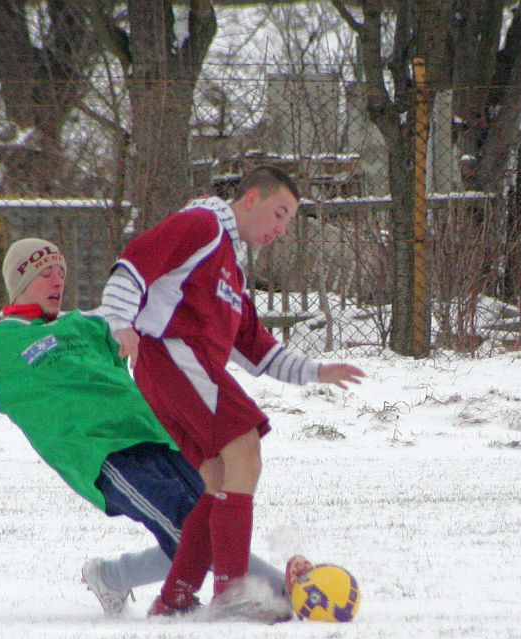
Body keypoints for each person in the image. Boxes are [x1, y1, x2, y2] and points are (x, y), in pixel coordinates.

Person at [0, 238, 291, 618]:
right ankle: (273, 592)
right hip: (104, 457)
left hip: (161, 437)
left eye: (62, 273)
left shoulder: (90, 324)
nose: (57, 281)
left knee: (202, 521)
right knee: (185, 524)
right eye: (45, 273)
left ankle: (112, 577)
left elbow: (154, 324)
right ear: (20, 282)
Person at [99, 165, 366, 615]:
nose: (280, 229)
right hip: (173, 358)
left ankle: (174, 600)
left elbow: (255, 349)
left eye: (288, 222)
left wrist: (315, 371)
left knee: (219, 479)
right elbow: (135, 261)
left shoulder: (233, 273)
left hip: (181, 373)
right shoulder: (203, 226)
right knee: (245, 450)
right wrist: (118, 322)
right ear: (251, 199)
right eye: (279, 214)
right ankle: (233, 595)